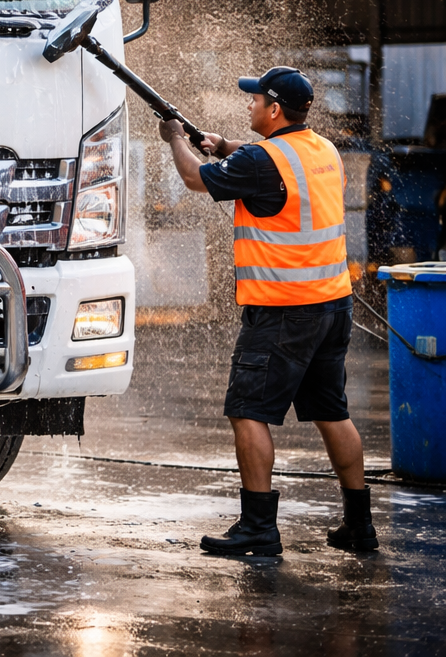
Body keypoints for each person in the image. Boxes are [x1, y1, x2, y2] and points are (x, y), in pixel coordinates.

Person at [158, 66, 377, 556]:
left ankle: (258, 527)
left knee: (248, 412)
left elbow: (196, 178)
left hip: (283, 311)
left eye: (255, 99)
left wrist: (177, 139)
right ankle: (360, 527)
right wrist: (224, 144)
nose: (249, 104)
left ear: (274, 109)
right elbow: (273, 159)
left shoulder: (263, 160)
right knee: (332, 413)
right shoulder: (322, 150)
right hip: (331, 306)